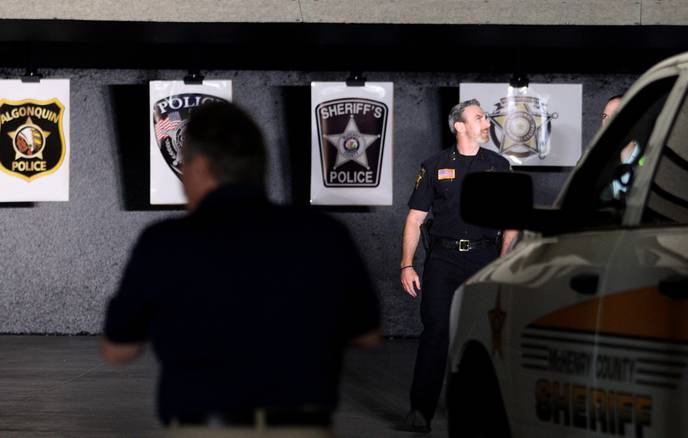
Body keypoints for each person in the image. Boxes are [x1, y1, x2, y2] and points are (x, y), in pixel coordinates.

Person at [101, 102, 381, 438]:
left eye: (185, 163)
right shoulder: (325, 234)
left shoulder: (164, 242)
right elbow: (367, 335)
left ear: (201, 167)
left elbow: (118, 350)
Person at [398, 99, 518, 433]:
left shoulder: (499, 165)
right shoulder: (435, 165)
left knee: (485, 335)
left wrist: (505, 259)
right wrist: (407, 265)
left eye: (485, 118)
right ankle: (419, 411)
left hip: (485, 259)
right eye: (479, 118)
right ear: (459, 125)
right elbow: (414, 220)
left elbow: (511, 220)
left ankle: (476, 407)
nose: (486, 123)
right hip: (443, 260)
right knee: (436, 331)